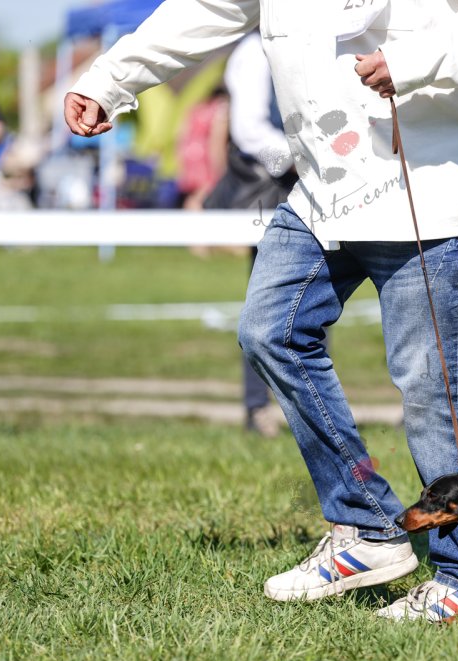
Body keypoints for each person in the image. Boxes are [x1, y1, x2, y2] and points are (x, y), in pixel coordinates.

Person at [65, 0, 458, 622]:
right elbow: (208, 7)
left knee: (428, 380)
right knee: (269, 330)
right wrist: (110, 80)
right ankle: (368, 526)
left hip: (429, 178)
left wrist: (417, 59)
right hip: (325, 184)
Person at [202, 31, 298, 438]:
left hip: (299, 187)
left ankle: (302, 410)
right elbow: (249, 132)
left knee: (313, 304)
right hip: (272, 192)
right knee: (265, 309)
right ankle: (258, 407)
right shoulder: (253, 50)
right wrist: (300, 160)